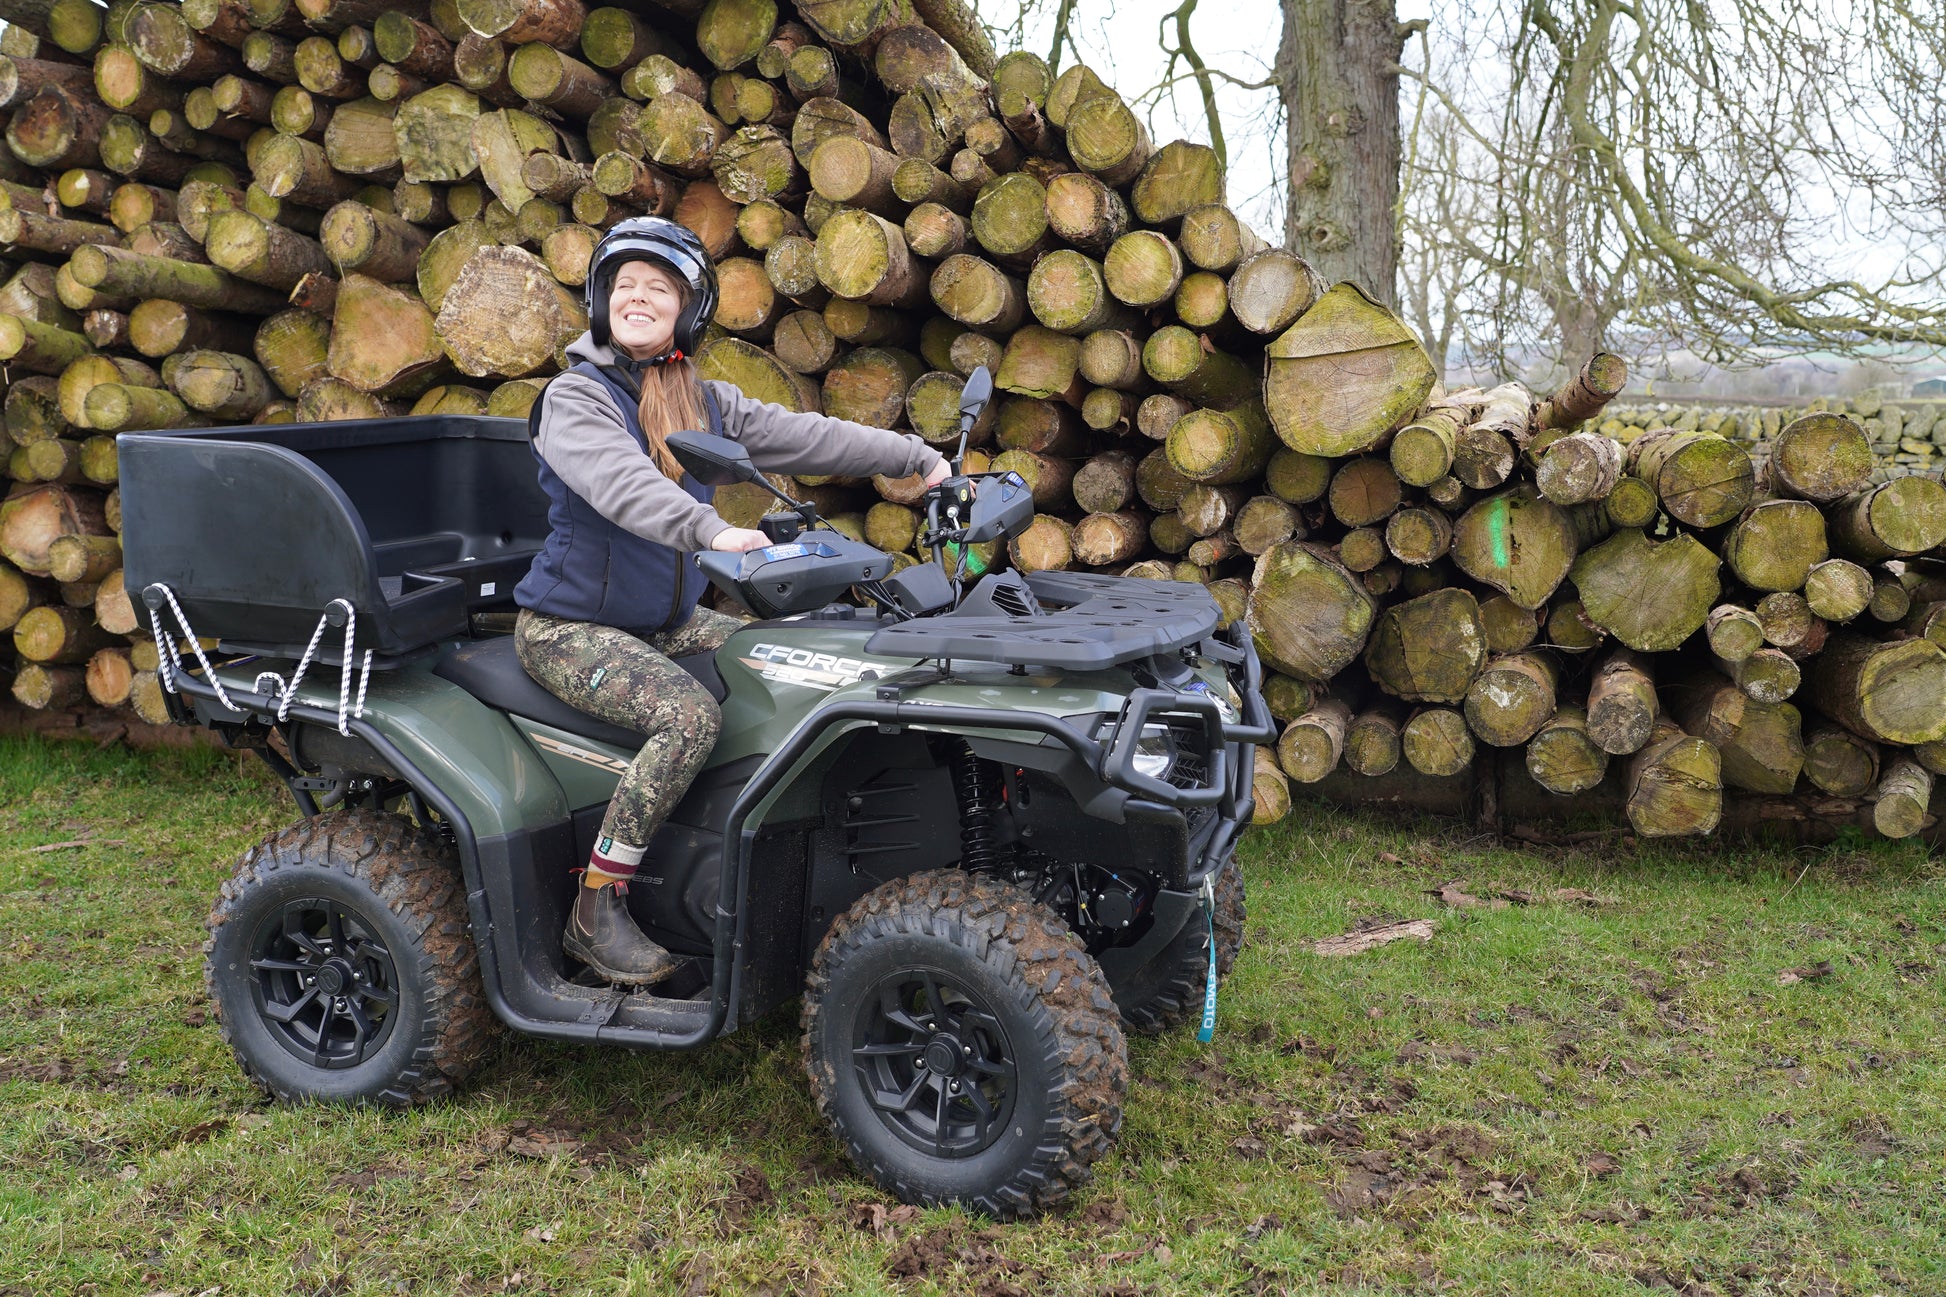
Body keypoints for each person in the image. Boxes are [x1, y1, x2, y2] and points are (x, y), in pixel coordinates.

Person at [513, 217, 950, 986]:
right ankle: (597, 902)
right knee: (688, 717)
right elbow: (625, 486)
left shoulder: (703, 400)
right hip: (568, 628)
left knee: (794, 657)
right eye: (624, 286)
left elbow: (810, 437)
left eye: (658, 288)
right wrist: (714, 528)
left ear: (688, 309)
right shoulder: (575, 400)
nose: (638, 298)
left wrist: (915, 458)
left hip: (667, 622)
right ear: (600, 301)